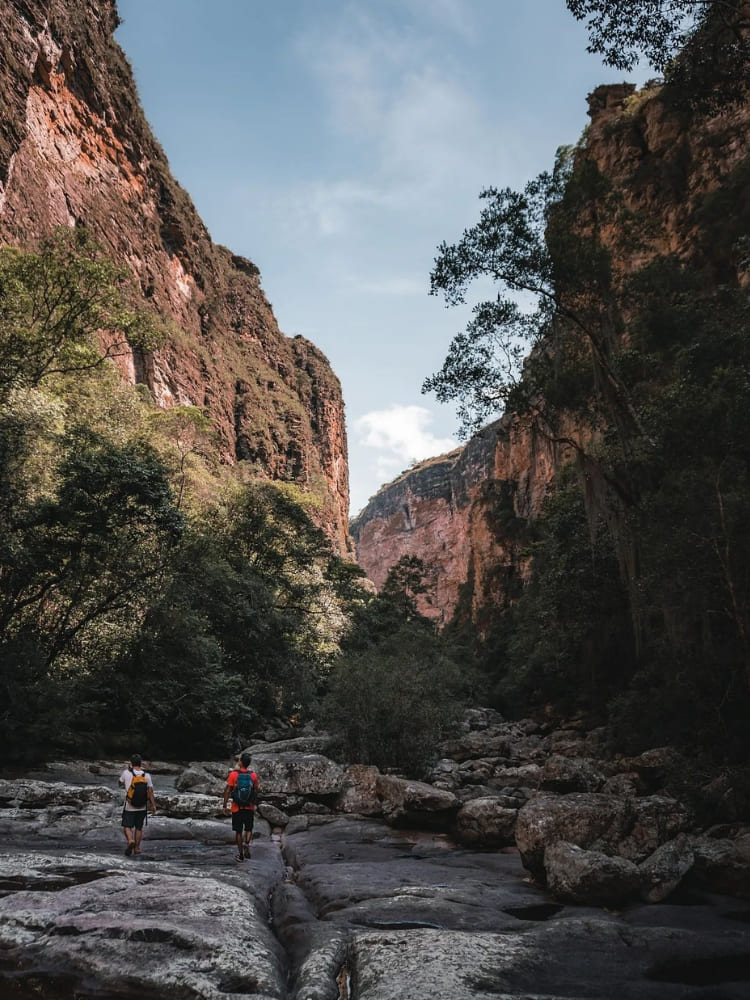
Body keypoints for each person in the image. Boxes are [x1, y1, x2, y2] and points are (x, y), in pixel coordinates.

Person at [222, 751, 259, 862]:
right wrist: (254, 803)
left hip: (236, 807)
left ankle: (241, 855)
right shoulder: (253, 775)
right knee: (248, 828)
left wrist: (225, 805)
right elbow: (255, 791)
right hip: (249, 807)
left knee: (238, 831)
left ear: (241, 762)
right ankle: (247, 843)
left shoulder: (234, 774)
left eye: (239, 760)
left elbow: (228, 790)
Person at [118, 753, 157, 857]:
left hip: (130, 805)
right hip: (142, 806)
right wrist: (153, 805)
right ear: (141, 763)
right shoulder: (146, 775)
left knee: (127, 826)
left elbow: (119, 783)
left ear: (131, 763)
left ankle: (130, 840)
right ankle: (137, 848)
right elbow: (150, 792)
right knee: (139, 828)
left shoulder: (126, 773)